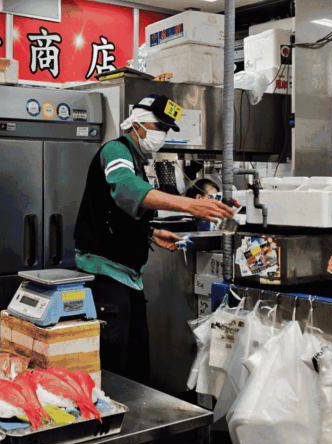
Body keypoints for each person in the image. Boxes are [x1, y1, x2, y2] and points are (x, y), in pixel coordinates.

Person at [74, 94, 234, 385]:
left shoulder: (137, 158)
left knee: (136, 364)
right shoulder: (116, 150)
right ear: (137, 123)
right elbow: (123, 188)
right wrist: (189, 205)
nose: (161, 133)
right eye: (158, 125)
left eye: (166, 128)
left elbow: (119, 212)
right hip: (107, 277)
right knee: (116, 369)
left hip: (128, 277)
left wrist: (150, 232)